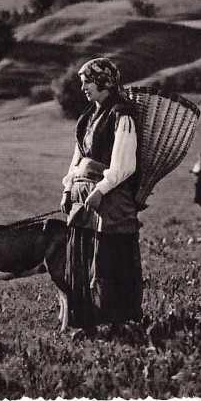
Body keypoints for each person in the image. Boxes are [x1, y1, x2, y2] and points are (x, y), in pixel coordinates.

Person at [59, 57, 143, 333]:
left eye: (87, 82)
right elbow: (77, 157)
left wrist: (100, 190)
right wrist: (68, 188)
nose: (83, 87)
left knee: (107, 259)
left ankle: (117, 322)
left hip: (108, 200)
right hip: (83, 196)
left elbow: (124, 164)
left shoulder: (122, 114)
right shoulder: (87, 117)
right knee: (82, 258)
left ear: (103, 83)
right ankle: (86, 322)